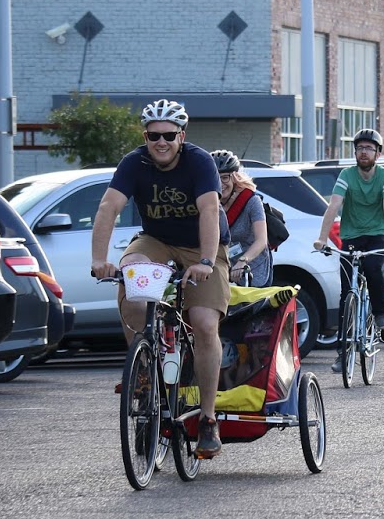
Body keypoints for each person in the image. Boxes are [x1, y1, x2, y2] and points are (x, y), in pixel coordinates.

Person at [90, 99, 232, 457]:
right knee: (132, 279)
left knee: (202, 323)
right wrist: (99, 259)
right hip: (157, 240)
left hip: (203, 243)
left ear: (181, 136)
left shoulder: (198, 162)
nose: (161, 142)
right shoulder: (133, 163)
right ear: (146, 136)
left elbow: (210, 209)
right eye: (154, 136)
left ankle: (208, 420)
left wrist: (204, 260)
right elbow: (109, 206)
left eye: (169, 135)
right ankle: (144, 367)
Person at [313, 128, 384, 372]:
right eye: (360, 148)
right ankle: (343, 353)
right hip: (351, 235)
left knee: (373, 267)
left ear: (378, 154)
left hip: (377, 235)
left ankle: (381, 312)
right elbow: (334, 206)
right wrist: (322, 238)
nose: (363, 152)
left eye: (369, 148)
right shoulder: (347, 175)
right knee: (346, 293)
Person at [213, 150, 275, 287]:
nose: (221, 184)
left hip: (252, 267)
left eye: (225, 178)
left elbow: (261, 240)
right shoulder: (209, 203)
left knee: (250, 305)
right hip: (223, 267)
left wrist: (243, 261)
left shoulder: (251, 201)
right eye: (216, 178)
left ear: (235, 178)